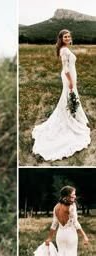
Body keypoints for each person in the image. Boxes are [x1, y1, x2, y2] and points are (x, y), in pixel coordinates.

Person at [32, 29, 91, 161]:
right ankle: (68, 119)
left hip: (71, 76)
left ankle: (73, 117)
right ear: (61, 38)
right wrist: (70, 81)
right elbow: (65, 68)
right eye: (65, 36)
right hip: (68, 77)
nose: (68, 38)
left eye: (69, 36)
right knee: (69, 99)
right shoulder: (64, 50)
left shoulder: (65, 49)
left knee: (72, 99)